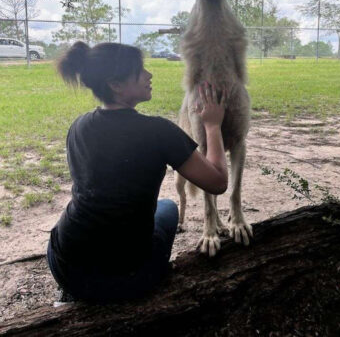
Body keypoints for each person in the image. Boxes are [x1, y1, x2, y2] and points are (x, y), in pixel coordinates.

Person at [46, 41, 229, 304]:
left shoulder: (79, 125)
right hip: (127, 279)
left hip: (63, 263)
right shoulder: (159, 132)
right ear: (115, 84)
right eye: (140, 71)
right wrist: (213, 126)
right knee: (167, 208)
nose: (149, 75)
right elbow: (218, 182)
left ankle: (72, 292)